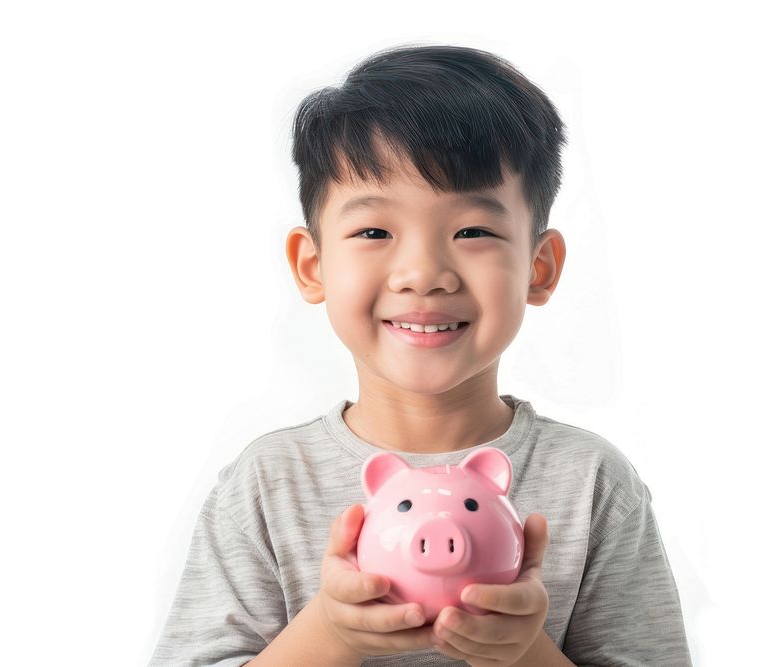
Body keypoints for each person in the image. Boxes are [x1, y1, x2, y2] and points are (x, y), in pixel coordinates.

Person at [149, 43, 692, 666]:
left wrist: (525, 653)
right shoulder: (268, 483)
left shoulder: (592, 484)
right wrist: (329, 630)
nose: (424, 274)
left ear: (539, 268)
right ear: (312, 264)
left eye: (474, 232)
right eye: (374, 231)